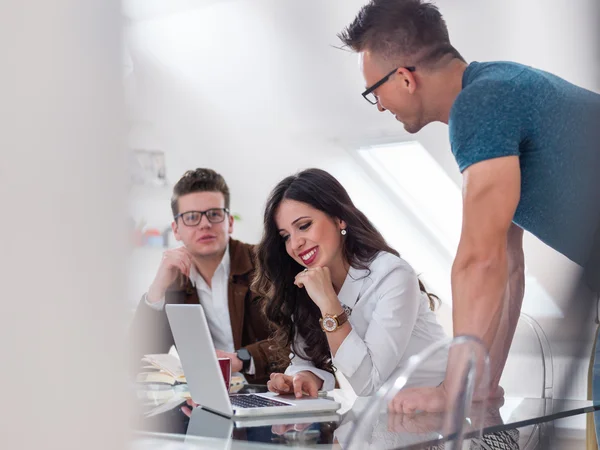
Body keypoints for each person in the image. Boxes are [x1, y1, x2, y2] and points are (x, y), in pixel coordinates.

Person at [338, 0, 600, 415]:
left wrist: (450, 391)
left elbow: (479, 262)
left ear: (405, 78)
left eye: (375, 92)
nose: (380, 105)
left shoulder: (481, 105)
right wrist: (482, 383)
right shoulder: (500, 88)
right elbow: (508, 265)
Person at [252, 168, 448, 397]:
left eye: (304, 226)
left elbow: (368, 383)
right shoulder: (310, 282)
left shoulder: (392, 274)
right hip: (381, 415)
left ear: (339, 218)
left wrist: (328, 303)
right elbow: (307, 359)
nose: (295, 244)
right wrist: (302, 377)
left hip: (440, 412)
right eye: (285, 236)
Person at [130, 168, 281, 383]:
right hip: (206, 398)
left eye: (214, 214)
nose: (205, 224)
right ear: (176, 230)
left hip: (270, 393)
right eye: (191, 217)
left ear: (229, 222)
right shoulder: (174, 282)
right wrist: (156, 290)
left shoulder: (264, 264)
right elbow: (139, 360)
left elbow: (296, 340)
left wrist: (242, 359)